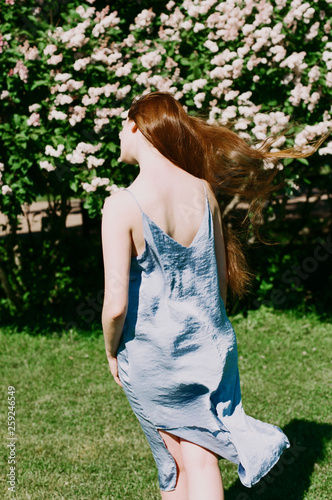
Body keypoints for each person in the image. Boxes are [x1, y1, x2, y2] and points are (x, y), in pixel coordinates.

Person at [101, 91, 324, 499]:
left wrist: (111, 351)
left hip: (155, 354)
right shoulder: (202, 191)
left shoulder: (121, 206)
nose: (118, 134)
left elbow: (115, 304)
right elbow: (218, 280)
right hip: (211, 345)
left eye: (120, 125)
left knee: (173, 460)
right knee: (201, 457)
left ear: (136, 124)